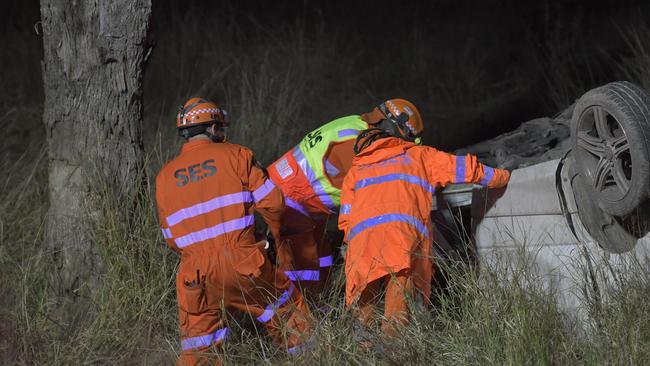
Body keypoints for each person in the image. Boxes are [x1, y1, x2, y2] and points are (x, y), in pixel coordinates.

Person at [155, 97, 312, 365]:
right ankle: (312, 359)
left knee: (199, 346)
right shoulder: (237, 155)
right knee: (286, 311)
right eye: (220, 128)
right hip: (242, 261)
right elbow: (274, 205)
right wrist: (268, 237)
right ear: (213, 128)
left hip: (194, 273)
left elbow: (171, 239)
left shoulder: (163, 177)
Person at [338, 99, 510, 336]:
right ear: (403, 131)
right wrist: (502, 176)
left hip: (361, 249)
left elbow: (345, 220)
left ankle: (362, 352)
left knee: (362, 321)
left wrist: (353, 246)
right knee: (395, 323)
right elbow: (468, 169)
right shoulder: (421, 156)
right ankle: (393, 357)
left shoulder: (355, 171)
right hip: (401, 245)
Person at [267, 103, 406, 296]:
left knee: (322, 257)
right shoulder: (362, 143)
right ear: (389, 127)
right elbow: (364, 193)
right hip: (293, 196)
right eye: (400, 138)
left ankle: (320, 308)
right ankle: (300, 319)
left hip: (300, 194)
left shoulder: (356, 124)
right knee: (303, 264)